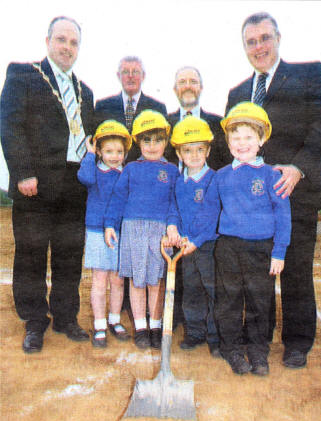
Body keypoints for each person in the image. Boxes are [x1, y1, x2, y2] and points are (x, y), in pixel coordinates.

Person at [226, 12, 321, 369]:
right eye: (251, 42)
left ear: (278, 38)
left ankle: (298, 343)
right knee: (257, 272)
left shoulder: (309, 74)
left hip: (294, 191)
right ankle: (258, 337)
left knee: (296, 268)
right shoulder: (237, 93)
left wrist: (299, 168)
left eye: (264, 38)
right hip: (253, 203)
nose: (259, 47)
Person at [0, 16, 95, 353]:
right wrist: (23, 172)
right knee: (31, 254)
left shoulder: (86, 91)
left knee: (70, 254)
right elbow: (10, 125)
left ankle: (66, 316)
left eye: (73, 42)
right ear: (48, 41)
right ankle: (35, 320)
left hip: (74, 184)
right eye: (61, 40)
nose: (67, 47)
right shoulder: (23, 75)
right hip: (35, 185)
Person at [208, 102, 291, 375]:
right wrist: (188, 236)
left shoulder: (271, 175)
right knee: (229, 301)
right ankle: (232, 350)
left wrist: (279, 252)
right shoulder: (220, 177)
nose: (241, 143)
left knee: (259, 302)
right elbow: (208, 215)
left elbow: (282, 216)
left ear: (261, 140)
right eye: (235, 137)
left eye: (248, 137)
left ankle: (258, 353)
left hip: (261, 249)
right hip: (229, 248)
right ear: (228, 141)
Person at [104, 110, 180, 350]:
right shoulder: (130, 169)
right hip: (133, 228)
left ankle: (155, 325)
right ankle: (140, 326)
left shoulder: (172, 170)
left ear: (166, 142)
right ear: (137, 142)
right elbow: (117, 198)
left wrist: (172, 226)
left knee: (156, 280)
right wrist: (109, 224)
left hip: (160, 232)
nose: (152, 145)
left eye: (158, 140)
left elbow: (174, 204)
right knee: (137, 281)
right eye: (146, 140)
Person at [168, 116, 221, 358]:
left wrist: (196, 240)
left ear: (208, 150)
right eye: (188, 150)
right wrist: (173, 229)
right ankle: (196, 332)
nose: (195, 155)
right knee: (191, 290)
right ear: (179, 154)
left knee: (213, 290)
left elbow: (212, 216)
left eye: (200, 149)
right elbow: (174, 209)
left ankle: (215, 335)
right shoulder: (180, 182)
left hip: (207, 245)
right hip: (186, 247)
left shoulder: (214, 179)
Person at [77, 121, 132, 347]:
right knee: (100, 280)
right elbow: (85, 178)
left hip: (120, 232)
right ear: (99, 150)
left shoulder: (126, 172)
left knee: (118, 281)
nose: (114, 156)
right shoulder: (94, 170)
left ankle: (114, 319)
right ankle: (99, 324)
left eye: (119, 151)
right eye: (108, 151)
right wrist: (90, 155)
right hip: (97, 231)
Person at [95, 56, 167, 163]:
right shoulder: (103, 106)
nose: (130, 76)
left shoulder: (157, 108)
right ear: (118, 76)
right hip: (112, 171)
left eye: (136, 72)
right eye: (125, 72)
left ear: (143, 76)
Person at [166, 66, 231, 170]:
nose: (188, 86)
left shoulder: (218, 124)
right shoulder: (165, 125)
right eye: (182, 82)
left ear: (201, 88)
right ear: (175, 89)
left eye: (193, 82)